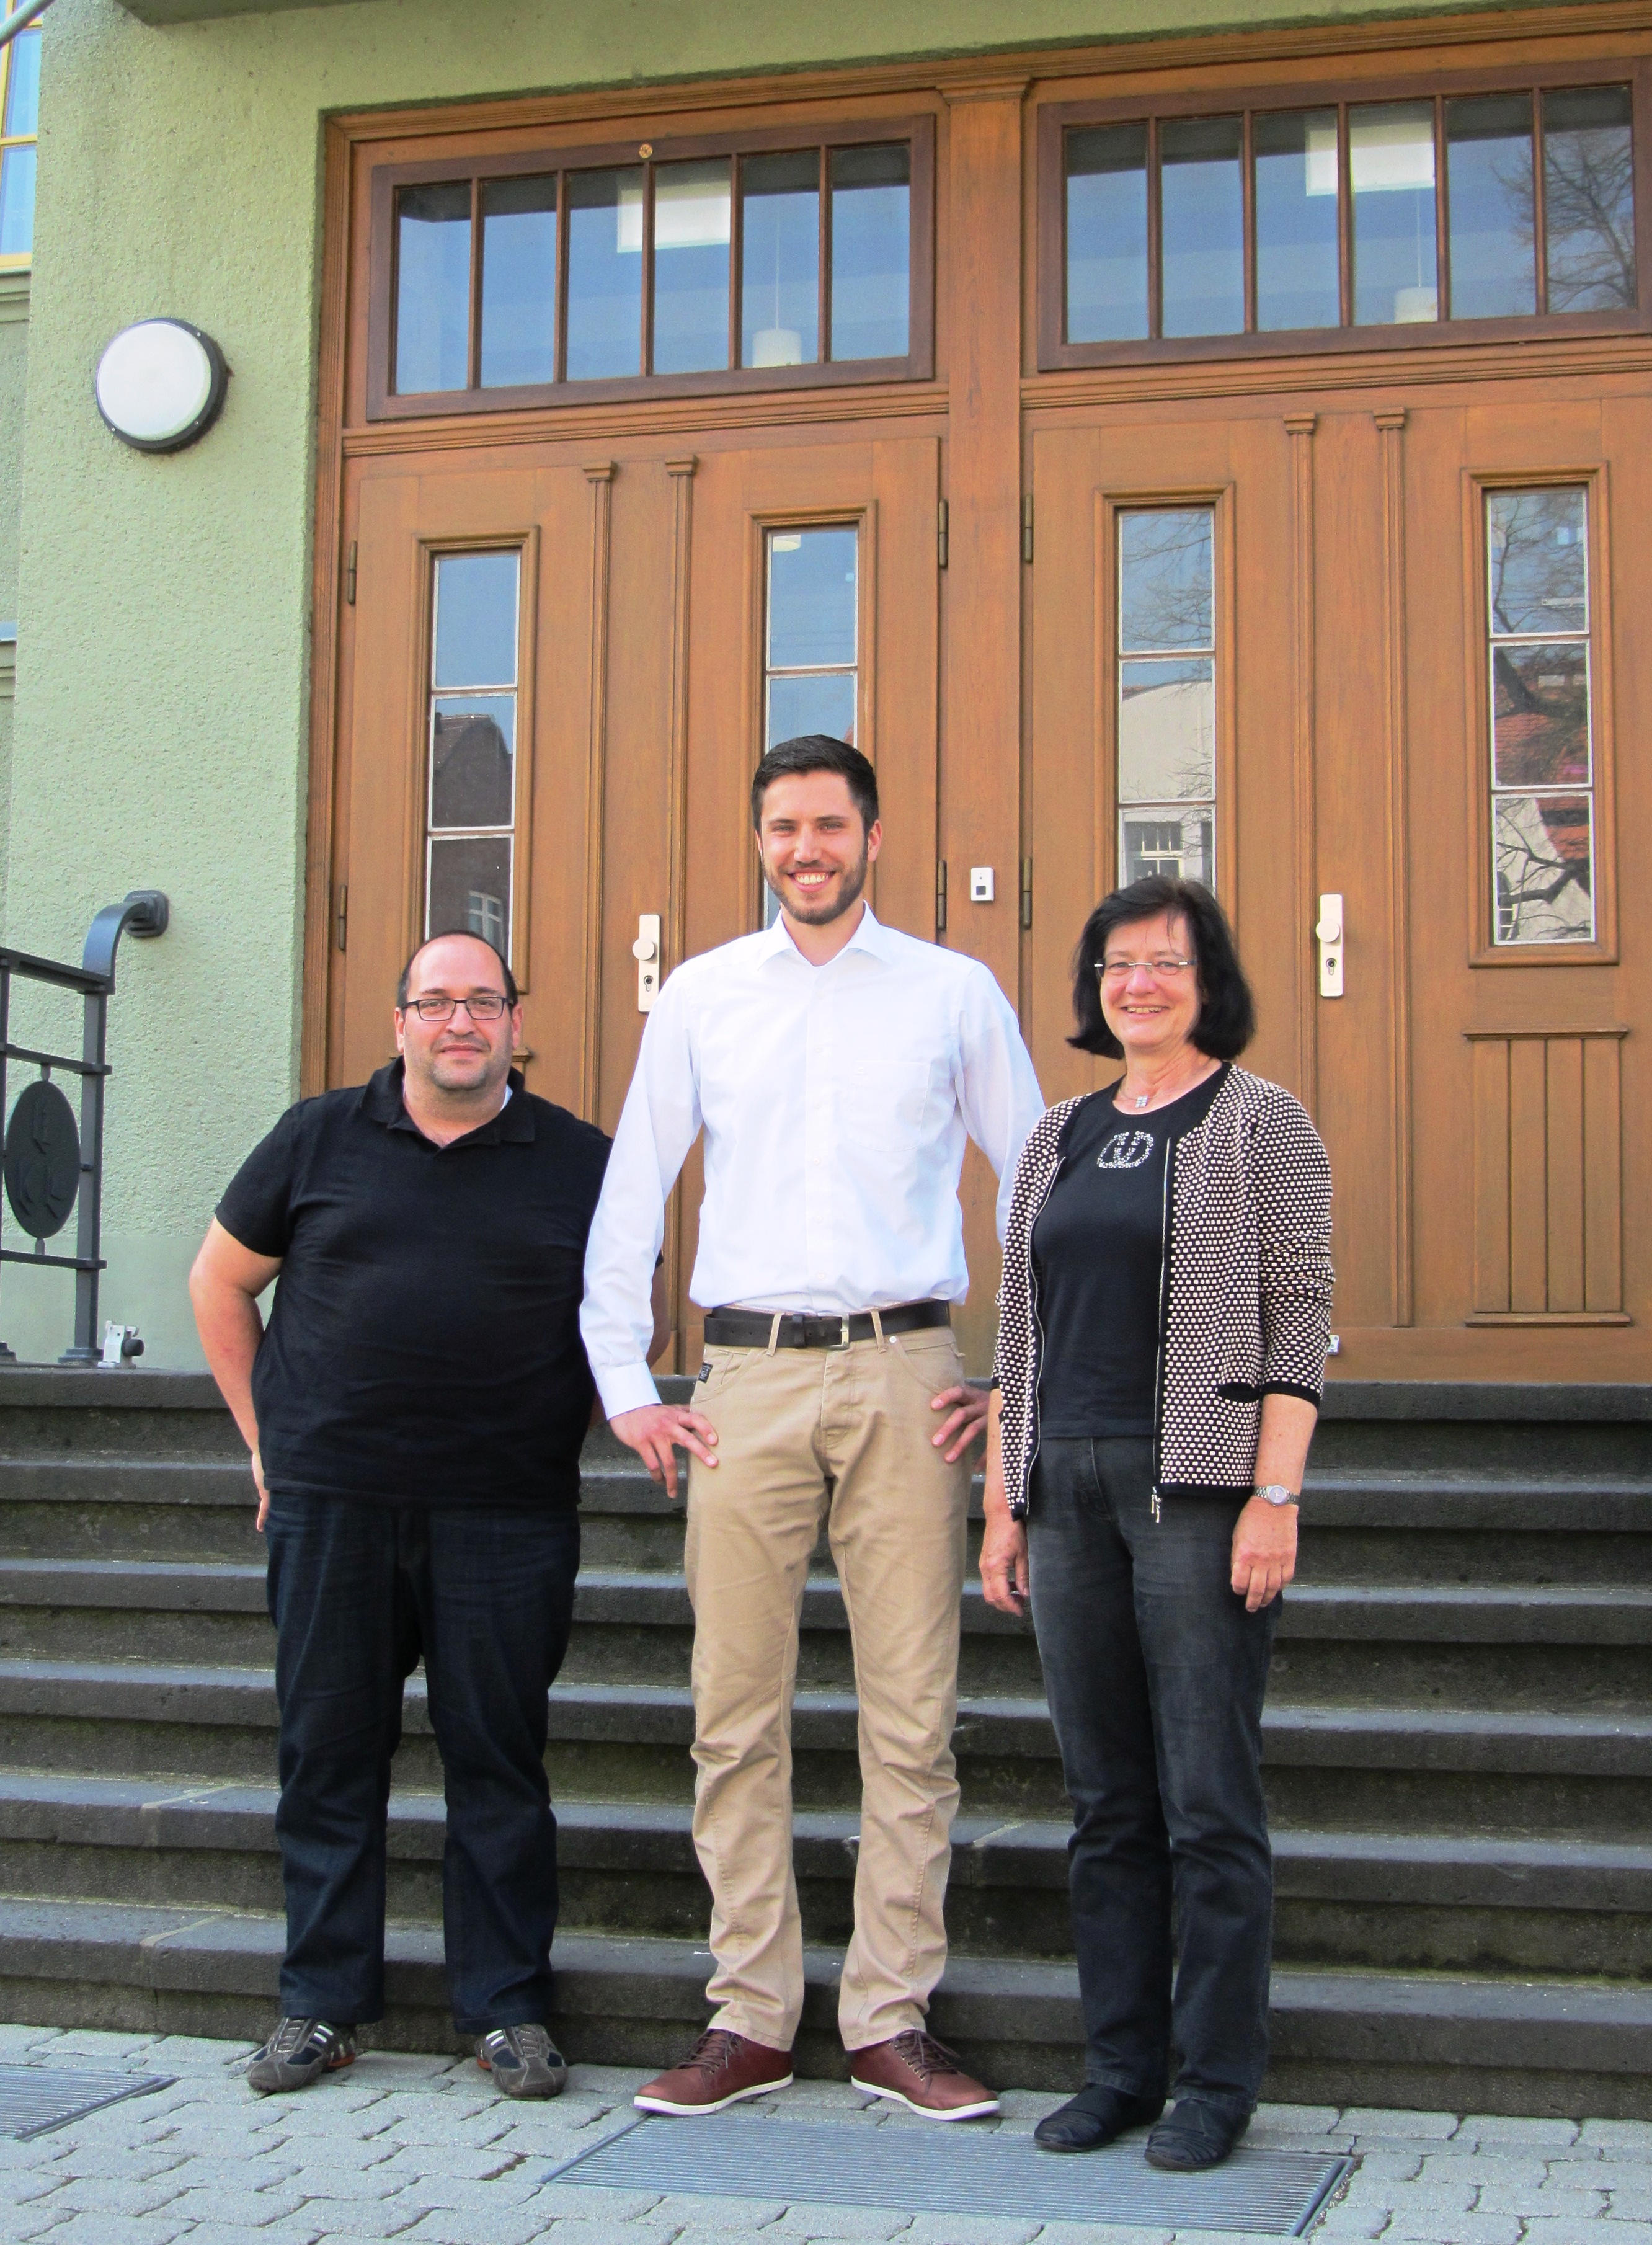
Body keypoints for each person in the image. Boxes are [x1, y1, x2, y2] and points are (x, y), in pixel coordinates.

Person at [581, 735, 1046, 2122]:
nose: (806, 849)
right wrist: (626, 1383)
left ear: (874, 836)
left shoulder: (955, 994)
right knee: (736, 1713)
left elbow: (1035, 1190)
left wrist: (1014, 1379)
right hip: (748, 1385)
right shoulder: (707, 998)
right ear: (761, 838)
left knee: (914, 1714)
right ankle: (753, 2017)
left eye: (829, 825)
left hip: (911, 1374)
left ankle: (892, 2017)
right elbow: (630, 1190)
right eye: (783, 827)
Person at [189, 931, 659, 2099]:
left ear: (514, 1021)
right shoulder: (316, 1136)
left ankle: (504, 2009)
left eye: (484, 1002)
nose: (461, 1022)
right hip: (333, 1502)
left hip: (506, 1510)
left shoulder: (583, 1161)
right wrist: (265, 1440)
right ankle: (321, 2003)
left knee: (498, 1762)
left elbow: (622, 1320)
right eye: (437, 1002)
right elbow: (220, 1280)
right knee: (327, 1757)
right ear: (399, 1020)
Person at [979, 875, 1333, 2174]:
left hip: (1198, 1488)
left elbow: (1301, 1321)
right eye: (1118, 963)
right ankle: (1120, 2067)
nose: (1140, 983)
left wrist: (1275, 1496)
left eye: (1166, 962)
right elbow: (1020, 1329)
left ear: (1209, 980)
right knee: (1104, 1802)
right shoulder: (1055, 1132)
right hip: (1063, 1484)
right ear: (1094, 986)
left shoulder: (1261, 1122)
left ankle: (1215, 2080)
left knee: (1206, 1799)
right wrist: (1003, 1501)